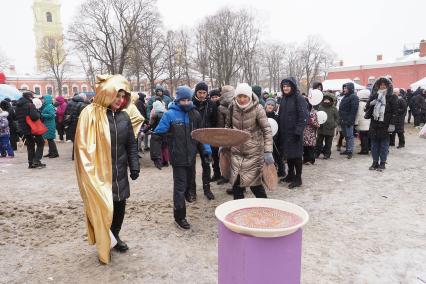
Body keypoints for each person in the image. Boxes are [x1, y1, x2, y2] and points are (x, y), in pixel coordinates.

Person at [74, 75, 140, 264]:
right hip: (100, 175)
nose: (120, 100)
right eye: (117, 96)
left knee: (119, 209)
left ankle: (115, 236)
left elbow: (131, 144)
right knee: (105, 209)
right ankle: (105, 241)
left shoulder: (125, 117)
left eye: (123, 97)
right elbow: (83, 146)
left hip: (120, 173)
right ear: (109, 94)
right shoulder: (92, 115)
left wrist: (134, 166)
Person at [151, 85, 211, 229]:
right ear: (178, 100)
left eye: (187, 100)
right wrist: (156, 155)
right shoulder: (170, 115)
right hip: (177, 158)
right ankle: (180, 217)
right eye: (182, 100)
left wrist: (206, 152)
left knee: (189, 183)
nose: (185, 103)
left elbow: (202, 135)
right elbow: (157, 135)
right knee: (179, 187)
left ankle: (187, 194)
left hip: (191, 157)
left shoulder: (195, 114)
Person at [226, 83, 273, 199]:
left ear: (249, 96)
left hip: (253, 154)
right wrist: (224, 144)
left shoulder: (258, 108)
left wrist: (268, 151)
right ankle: (239, 211)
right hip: (236, 152)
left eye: (245, 96)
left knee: (255, 186)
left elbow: (267, 130)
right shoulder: (232, 107)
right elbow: (227, 128)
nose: (242, 99)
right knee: (237, 185)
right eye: (239, 96)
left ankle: (264, 209)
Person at [278, 77, 308, 189]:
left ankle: (298, 178)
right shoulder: (284, 98)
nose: (285, 88)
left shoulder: (298, 98)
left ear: (292, 87)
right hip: (285, 132)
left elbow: (304, 116)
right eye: (284, 86)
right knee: (289, 155)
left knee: (296, 156)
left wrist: (298, 131)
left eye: (287, 86)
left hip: (295, 133)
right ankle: (290, 174)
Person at [365, 77, 398, 171]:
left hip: (385, 125)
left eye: (384, 85)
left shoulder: (392, 97)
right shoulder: (374, 96)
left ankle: (382, 163)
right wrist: (371, 103)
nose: (382, 86)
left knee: (384, 145)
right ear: (378, 86)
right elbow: (367, 108)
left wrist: (392, 125)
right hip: (374, 124)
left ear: (388, 86)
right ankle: (375, 162)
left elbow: (395, 112)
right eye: (381, 85)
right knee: (374, 145)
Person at [191, 82, 216, 200]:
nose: (201, 95)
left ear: (207, 93)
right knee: (191, 165)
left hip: (206, 138)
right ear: (196, 92)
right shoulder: (190, 103)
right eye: (199, 92)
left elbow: (215, 122)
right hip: (192, 137)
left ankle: (207, 189)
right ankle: (192, 190)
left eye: (204, 92)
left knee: (206, 164)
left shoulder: (211, 104)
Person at [15, 91, 45, 168]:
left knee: (30, 145)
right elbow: (35, 117)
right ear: (29, 97)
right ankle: (36, 161)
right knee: (41, 142)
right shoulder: (30, 105)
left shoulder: (18, 105)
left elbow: (16, 117)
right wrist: (38, 113)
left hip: (24, 128)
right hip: (32, 128)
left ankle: (31, 163)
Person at [216, 85, 235, 190]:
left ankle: (229, 178)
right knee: (237, 160)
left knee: (227, 159)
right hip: (238, 135)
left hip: (227, 136)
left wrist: (221, 140)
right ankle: (237, 183)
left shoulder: (221, 107)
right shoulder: (238, 103)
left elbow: (221, 125)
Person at [64, 93, 89, 160]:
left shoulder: (70, 102)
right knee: (79, 141)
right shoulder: (81, 104)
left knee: (75, 141)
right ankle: (77, 156)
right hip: (77, 124)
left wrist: (66, 124)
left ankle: (74, 156)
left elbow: (66, 113)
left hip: (71, 124)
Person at [264, 98, 285, 177]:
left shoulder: (276, 117)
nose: (270, 106)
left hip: (275, 139)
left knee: (277, 155)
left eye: (272, 105)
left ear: (274, 107)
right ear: (266, 106)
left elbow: (279, 128)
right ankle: (268, 171)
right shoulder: (262, 115)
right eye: (268, 104)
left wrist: (278, 138)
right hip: (265, 139)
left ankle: (281, 170)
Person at [338, 83, 359, 159]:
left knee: (350, 136)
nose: (344, 89)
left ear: (350, 88)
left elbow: (354, 110)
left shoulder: (353, 97)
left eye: (346, 88)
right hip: (343, 120)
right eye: (344, 88)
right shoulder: (345, 97)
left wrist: (350, 121)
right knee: (346, 136)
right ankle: (347, 149)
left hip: (348, 120)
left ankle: (350, 151)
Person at [316, 92, 339, 159]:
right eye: (325, 99)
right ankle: (317, 153)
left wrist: (334, 124)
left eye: (328, 99)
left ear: (331, 100)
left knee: (328, 143)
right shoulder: (320, 107)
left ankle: (327, 154)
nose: (326, 101)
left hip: (330, 129)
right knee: (319, 142)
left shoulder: (334, 108)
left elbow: (337, 118)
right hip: (321, 128)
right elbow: (317, 116)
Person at [208, 89, 222, 182]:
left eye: (216, 97)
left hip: (221, 133)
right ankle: (216, 173)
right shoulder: (209, 107)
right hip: (212, 134)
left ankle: (224, 174)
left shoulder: (222, 106)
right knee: (214, 155)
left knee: (222, 155)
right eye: (212, 97)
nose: (214, 99)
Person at [150, 100, 169, 166]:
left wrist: (145, 130)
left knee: (159, 148)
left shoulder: (155, 115)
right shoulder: (166, 114)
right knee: (165, 147)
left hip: (157, 133)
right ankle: (166, 161)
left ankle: (160, 161)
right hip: (165, 133)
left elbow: (151, 124)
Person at [355, 89, 371, 155]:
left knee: (363, 137)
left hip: (362, 122)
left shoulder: (360, 104)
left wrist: (355, 122)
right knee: (367, 136)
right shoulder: (369, 103)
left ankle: (364, 150)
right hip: (368, 122)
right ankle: (368, 148)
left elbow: (358, 114)